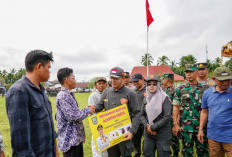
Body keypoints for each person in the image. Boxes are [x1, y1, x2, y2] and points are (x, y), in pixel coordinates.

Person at [6, 50, 58, 156]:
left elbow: (50, 129)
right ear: (39, 67)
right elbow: (21, 144)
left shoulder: (42, 91)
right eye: (48, 67)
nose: (49, 71)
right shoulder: (19, 91)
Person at [94, 67, 140, 157]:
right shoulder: (106, 92)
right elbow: (99, 106)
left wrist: (132, 131)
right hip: (110, 134)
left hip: (125, 134)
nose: (113, 81)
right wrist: (93, 108)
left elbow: (137, 114)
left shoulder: (130, 94)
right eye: (111, 78)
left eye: (116, 78)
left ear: (123, 79)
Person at [56, 67, 95, 157]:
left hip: (75, 140)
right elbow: (72, 116)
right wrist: (88, 110)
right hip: (69, 142)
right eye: (73, 78)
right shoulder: (63, 96)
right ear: (66, 80)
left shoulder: (68, 94)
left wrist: (81, 136)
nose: (75, 80)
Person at [172, 64, 209, 157]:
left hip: (202, 128)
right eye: (187, 72)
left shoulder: (206, 89)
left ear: (197, 72)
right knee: (186, 153)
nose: (188, 74)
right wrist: (175, 125)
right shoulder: (180, 89)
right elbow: (175, 107)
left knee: (203, 152)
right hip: (185, 128)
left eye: (191, 71)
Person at [198, 67, 232, 157]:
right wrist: (200, 130)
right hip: (213, 136)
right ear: (214, 79)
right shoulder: (207, 93)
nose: (225, 83)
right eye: (222, 80)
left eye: (228, 80)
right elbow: (204, 112)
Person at [140, 74, 172, 157]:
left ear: (158, 85)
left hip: (162, 134)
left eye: (154, 84)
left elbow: (167, 117)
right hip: (148, 134)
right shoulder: (146, 98)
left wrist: (152, 127)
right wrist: (147, 126)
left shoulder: (164, 97)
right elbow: (142, 115)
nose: (151, 86)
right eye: (149, 84)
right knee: (147, 154)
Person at [88, 77, 108, 157]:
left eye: (103, 83)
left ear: (106, 85)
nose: (101, 85)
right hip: (98, 124)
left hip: (106, 122)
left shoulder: (107, 93)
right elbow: (92, 112)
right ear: (96, 86)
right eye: (99, 84)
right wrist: (96, 124)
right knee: (98, 143)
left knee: (106, 143)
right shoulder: (93, 96)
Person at [163, 73, 179, 157]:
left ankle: (175, 153)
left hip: (173, 118)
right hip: (165, 119)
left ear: (168, 79)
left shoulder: (175, 90)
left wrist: (175, 121)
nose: (162, 80)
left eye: (164, 79)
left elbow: (177, 106)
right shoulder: (164, 90)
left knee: (174, 139)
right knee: (166, 138)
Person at [131, 73, 146, 157]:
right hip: (135, 121)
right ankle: (137, 153)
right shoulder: (132, 92)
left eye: (137, 81)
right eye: (133, 82)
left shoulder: (148, 90)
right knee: (136, 141)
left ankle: (145, 154)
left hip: (145, 121)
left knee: (146, 141)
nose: (135, 83)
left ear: (142, 80)